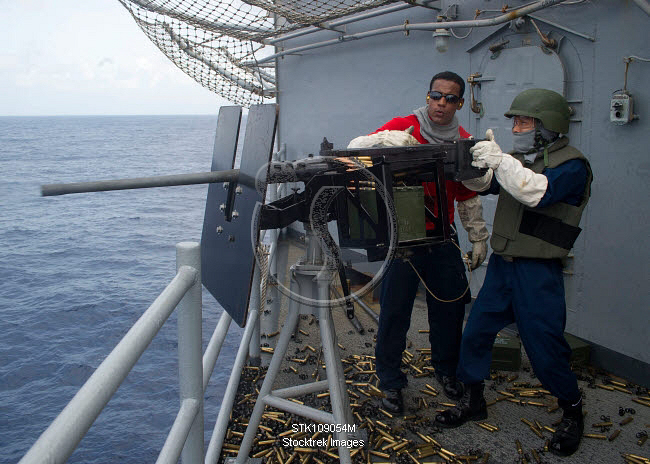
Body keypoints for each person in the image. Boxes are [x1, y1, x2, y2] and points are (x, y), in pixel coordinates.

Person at [434, 89, 593, 457]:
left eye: (523, 121)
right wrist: (461, 165)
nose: (516, 127)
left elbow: (534, 192)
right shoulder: (521, 159)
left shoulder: (572, 165)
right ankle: (474, 399)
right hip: (504, 267)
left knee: (544, 348)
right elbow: (488, 184)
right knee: (475, 334)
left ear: (546, 126)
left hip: (537, 271)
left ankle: (572, 410)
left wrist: (501, 160)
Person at [347, 71, 489, 413]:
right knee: (395, 311)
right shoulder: (402, 126)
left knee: (451, 308)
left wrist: (478, 235)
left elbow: (468, 194)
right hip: (403, 237)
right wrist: (386, 141)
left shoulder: (464, 141)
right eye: (436, 96)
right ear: (428, 96)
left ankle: (446, 371)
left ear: (459, 103)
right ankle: (391, 382)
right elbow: (355, 150)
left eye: (451, 98)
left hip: (443, 238)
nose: (442, 104)